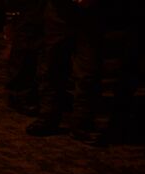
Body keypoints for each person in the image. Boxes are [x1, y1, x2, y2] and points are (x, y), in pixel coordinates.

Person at [27, 0, 104, 142]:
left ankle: (82, 123)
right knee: (51, 66)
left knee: (88, 71)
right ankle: (48, 117)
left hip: (92, 13)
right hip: (60, 11)